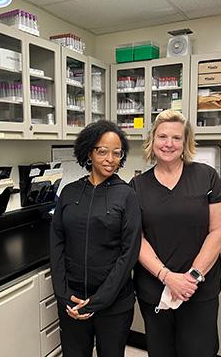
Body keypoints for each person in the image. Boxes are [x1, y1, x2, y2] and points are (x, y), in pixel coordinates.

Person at [131, 110, 221, 357]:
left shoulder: (206, 177)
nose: (169, 144)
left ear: (185, 142)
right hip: (154, 287)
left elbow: (219, 229)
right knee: (161, 351)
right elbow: (137, 238)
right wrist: (167, 277)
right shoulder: (137, 186)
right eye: (162, 136)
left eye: (176, 138)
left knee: (199, 350)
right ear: (152, 140)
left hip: (199, 289)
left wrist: (192, 277)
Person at [50, 120, 142, 357]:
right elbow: (57, 243)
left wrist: (98, 300)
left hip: (114, 304)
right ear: (89, 152)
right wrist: (63, 294)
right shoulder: (69, 192)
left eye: (116, 153)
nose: (110, 159)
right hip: (72, 299)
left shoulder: (126, 195)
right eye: (102, 151)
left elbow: (129, 253)